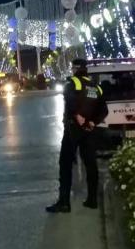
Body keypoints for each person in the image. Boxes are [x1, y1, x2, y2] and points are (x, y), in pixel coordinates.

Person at [46, 57, 108, 213]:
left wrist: (79, 119)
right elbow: (104, 110)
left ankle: (64, 203)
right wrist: (93, 122)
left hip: (74, 130)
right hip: (90, 131)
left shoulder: (73, 83)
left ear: (75, 69)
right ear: (86, 69)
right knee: (91, 164)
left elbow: (71, 102)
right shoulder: (96, 86)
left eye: (73, 68)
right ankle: (92, 200)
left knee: (65, 164)